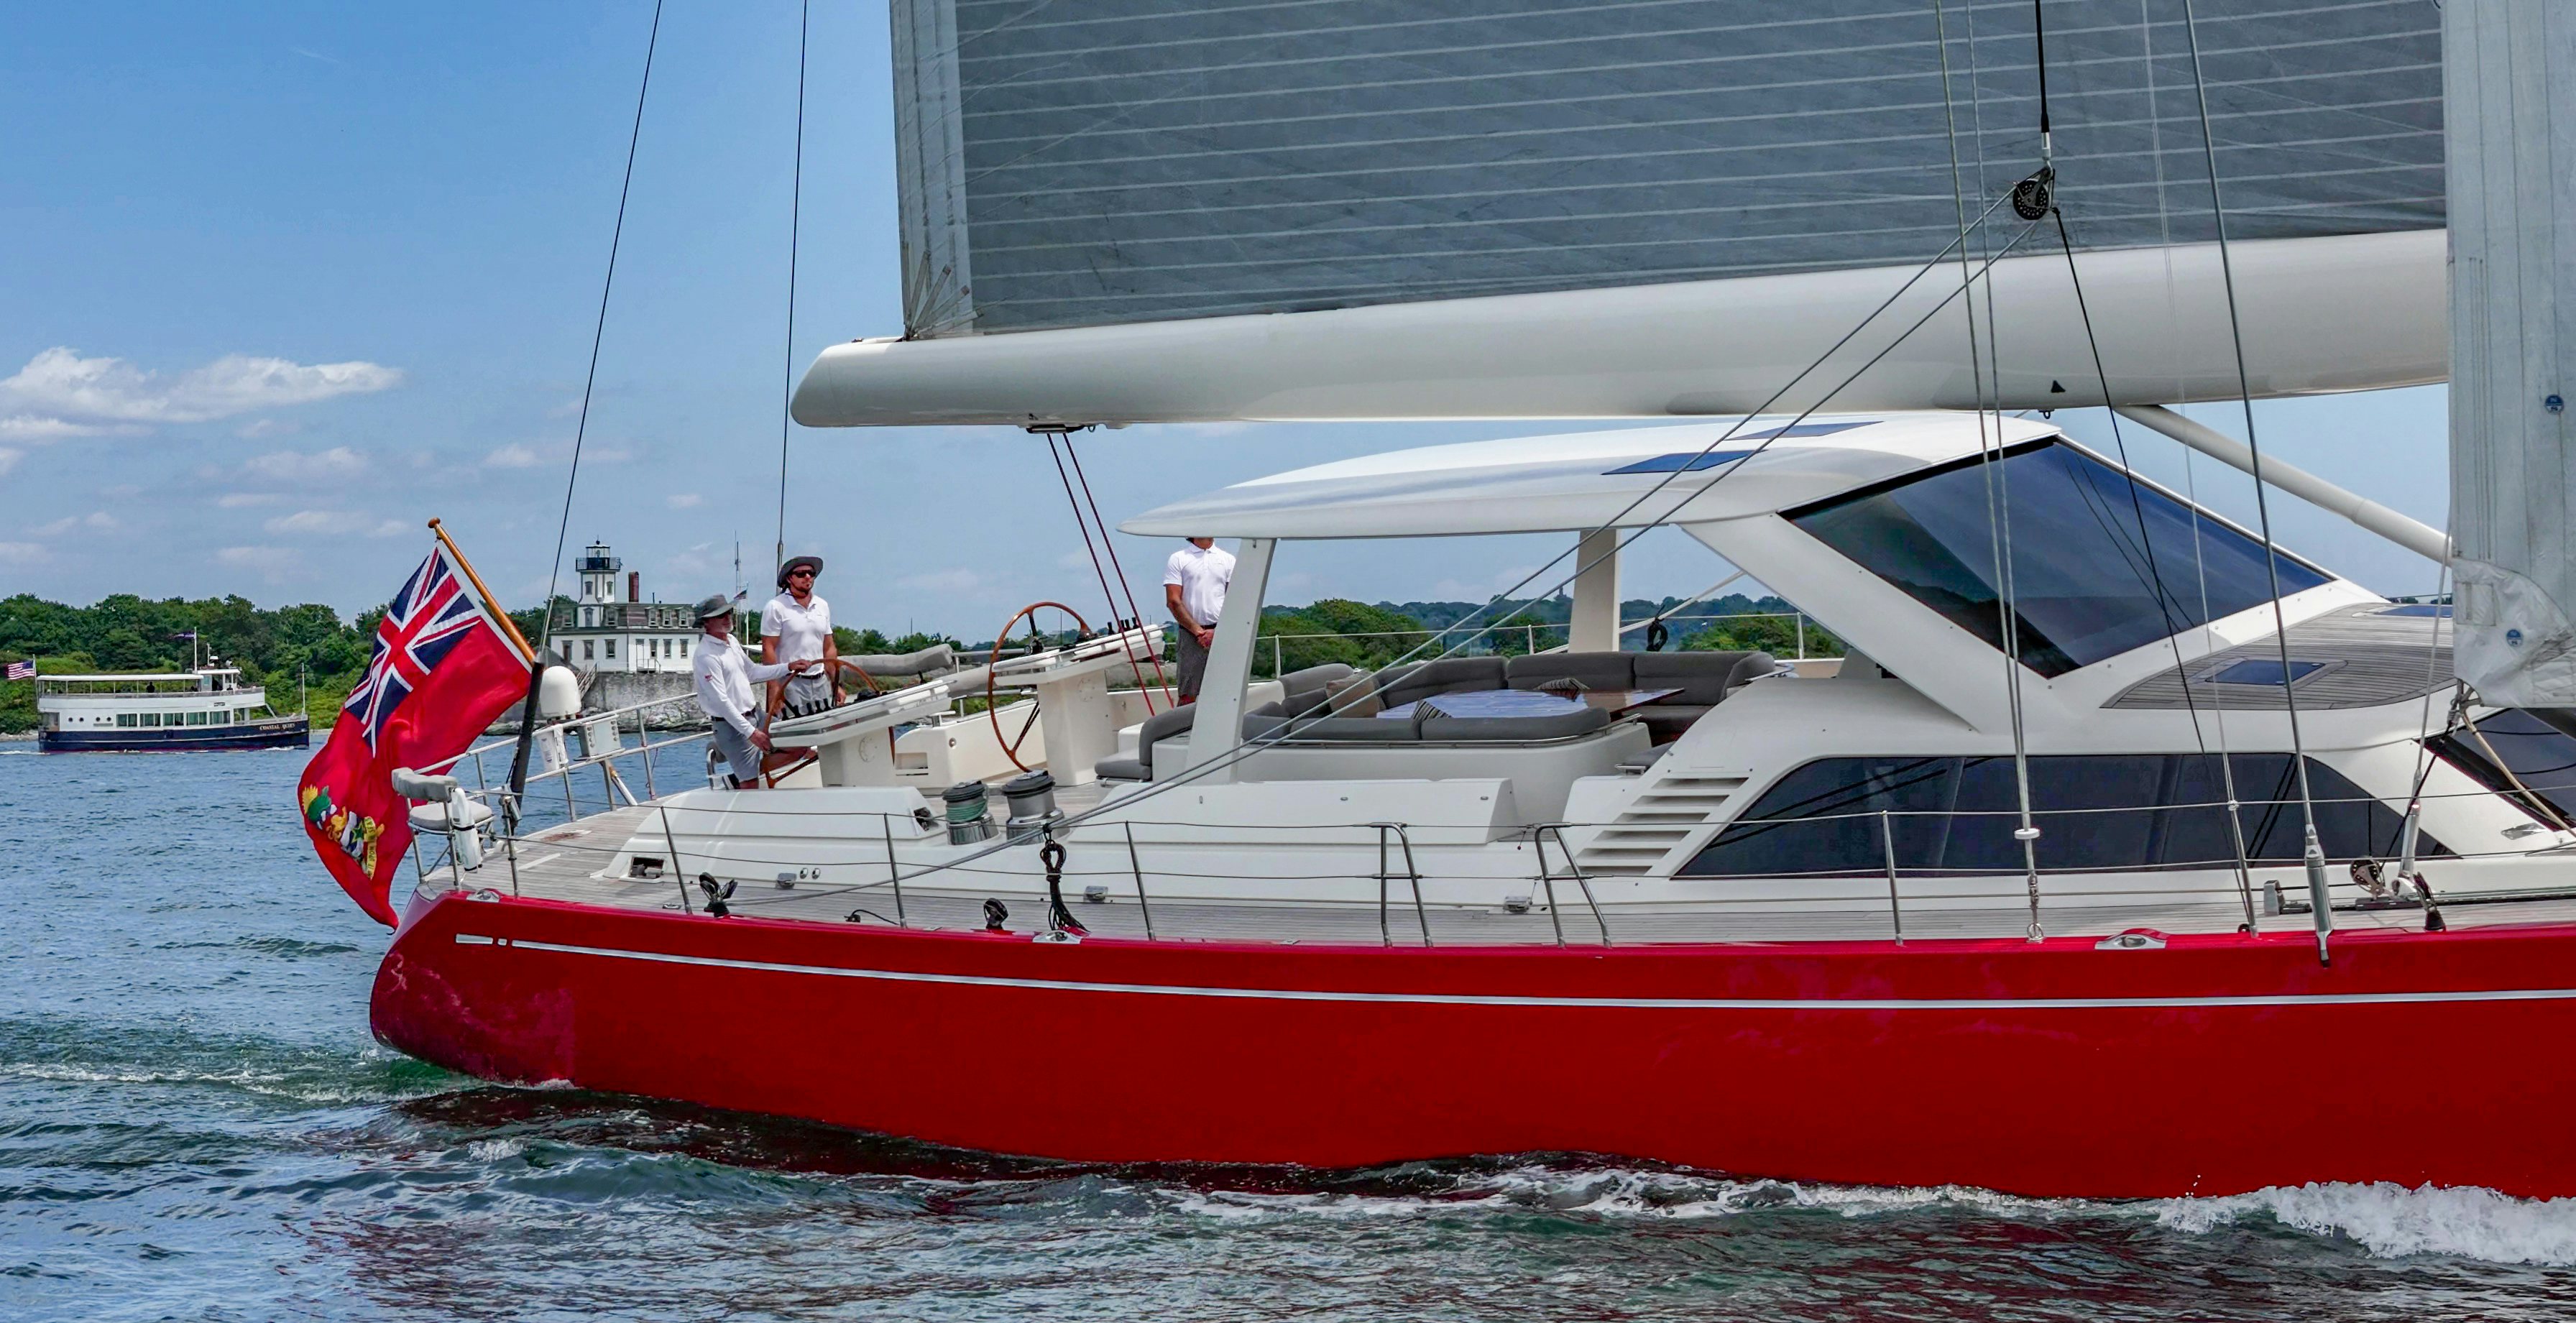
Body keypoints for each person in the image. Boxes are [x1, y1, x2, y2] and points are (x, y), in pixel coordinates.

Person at [691, 593, 816, 789]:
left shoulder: (731, 641)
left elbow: (753, 672)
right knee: (750, 786)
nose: (727, 618)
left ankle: (737, 778)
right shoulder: (706, 655)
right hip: (731, 726)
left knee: (800, 746)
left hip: (756, 715)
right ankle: (743, 779)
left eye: (729, 613)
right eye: (720, 615)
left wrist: (788, 667)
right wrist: (751, 733)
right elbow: (720, 702)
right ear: (706, 623)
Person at [761, 554, 841, 720]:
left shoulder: (822, 606)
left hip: (820, 681)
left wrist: (835, 684)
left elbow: (829, 647)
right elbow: (769, 649)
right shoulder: (776, 607)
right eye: (801, 574)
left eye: (811, 574)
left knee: (825, 732)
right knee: (795, 737)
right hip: (790, 682)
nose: (807, 577)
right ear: (790, 578)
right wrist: (774, 688)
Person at [1163, 536, 1235, 704]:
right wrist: (1198, 631)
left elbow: (1235, 599)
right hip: (1190, 634)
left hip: (1221, 632)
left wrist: (1217, 632)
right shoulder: (1179, 559)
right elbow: (1173, 601)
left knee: (1226, 691)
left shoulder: (1228, 560)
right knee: (1188, 694)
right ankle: (1185, 729)